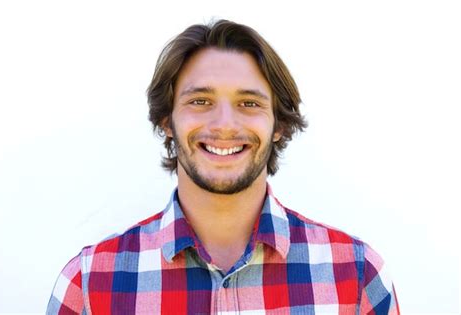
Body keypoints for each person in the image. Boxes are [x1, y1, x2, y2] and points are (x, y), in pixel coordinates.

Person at [47, 20, 399, 314]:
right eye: (200, 101)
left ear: (278, 124)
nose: (225, 124)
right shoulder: (90, 284)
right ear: (167, 120)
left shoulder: (356, 278)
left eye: (249, 103)